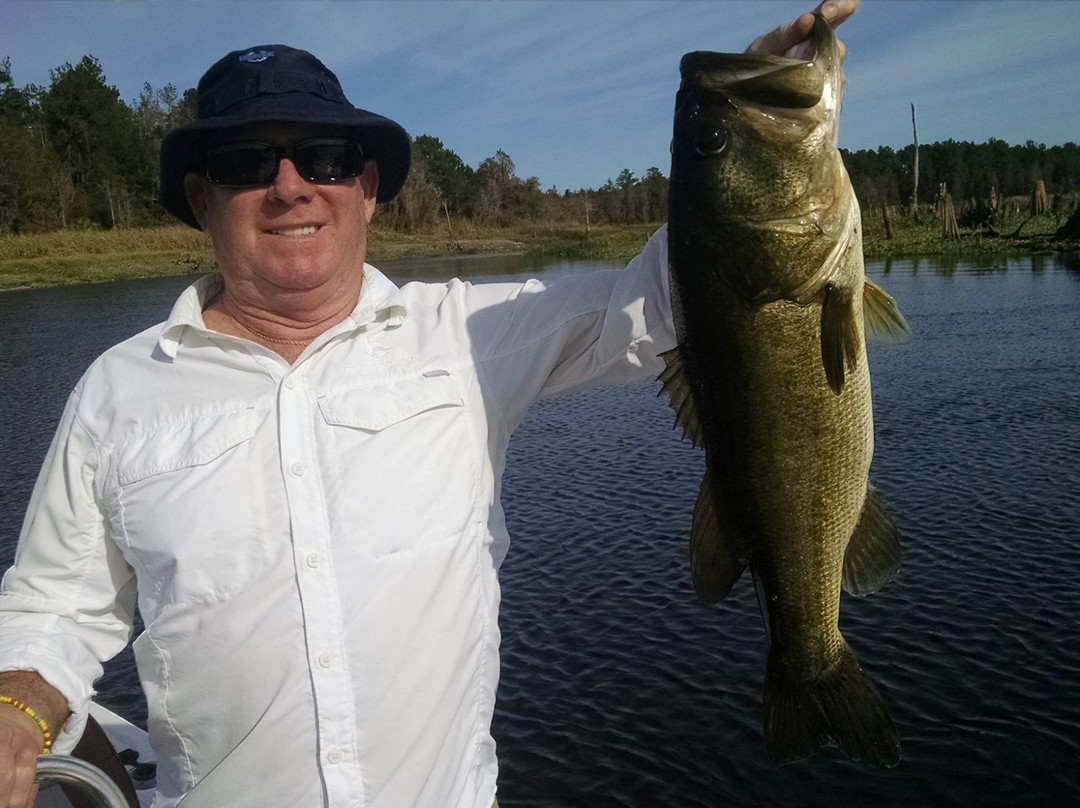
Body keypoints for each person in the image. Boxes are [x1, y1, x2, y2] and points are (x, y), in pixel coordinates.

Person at [0, 3, 857, 806]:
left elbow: (673, 296)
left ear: (367, 186)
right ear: (201, 200)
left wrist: (752, 124)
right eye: (245, 164)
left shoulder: (468, 334)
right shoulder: (118, 390)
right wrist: (18, 710)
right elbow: (51, 607)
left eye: (325, 158)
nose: (291, 186)